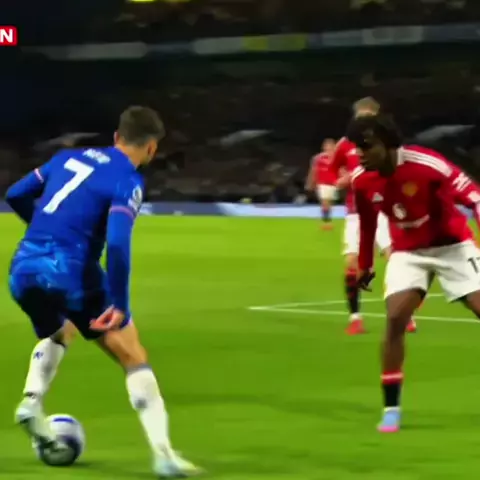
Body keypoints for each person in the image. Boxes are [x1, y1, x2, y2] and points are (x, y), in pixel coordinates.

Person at [7, 106, 201, 477]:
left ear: (116, 136)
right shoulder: (127, 180)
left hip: (23, 269)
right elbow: (117, 245)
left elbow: (16, 194)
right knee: (132, 353)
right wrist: (120, 304)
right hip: (71, 271)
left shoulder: (67, 157)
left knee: (60, 331)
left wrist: (46, 226)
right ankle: (164, 455)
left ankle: (31, 402)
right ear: (151, 148)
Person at [348, 113, 480, 433]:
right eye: (357, 147)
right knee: (395, 318)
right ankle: (391, 409)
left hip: (453, 247)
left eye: (366, 146)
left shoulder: (428, 165)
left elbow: (475, 198)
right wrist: (365, 264)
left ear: (389, 144)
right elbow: (367, 225)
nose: (359, 154)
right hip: (408, 252)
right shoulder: (362, 180)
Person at [331, 97, 417, 335]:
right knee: (351, 263)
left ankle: (406, 314)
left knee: (395, 260)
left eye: (368, 117)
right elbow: (334, 170)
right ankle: (355, 318)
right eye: (361, 117)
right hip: (356, 211)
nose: (364, 121)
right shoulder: (345, 144)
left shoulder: (385, 142)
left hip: (384, 208)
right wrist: (342, 180)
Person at [305, 138, 337, 230]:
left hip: (334, 184)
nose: (329, 147)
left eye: (331, 145)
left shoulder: (337, 157)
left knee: (329, 203)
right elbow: (313, 171)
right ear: (324, 147)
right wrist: (310, 182)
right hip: (322, 183)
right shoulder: (318, 158)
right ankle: (326, 222)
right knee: (324, 202)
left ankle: (328, 221)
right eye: (327, 145)